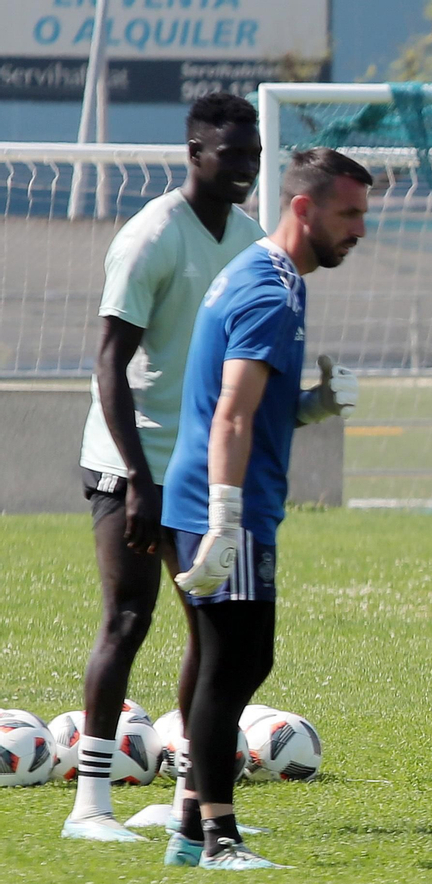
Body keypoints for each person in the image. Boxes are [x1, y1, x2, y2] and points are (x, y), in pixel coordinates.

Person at [159, 148, 368, 869]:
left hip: (220, 500)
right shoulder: (270, 291)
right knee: (232, 664)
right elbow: (232, 414)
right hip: (225, 505)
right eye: (349, 214)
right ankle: (217, 837)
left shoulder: (268, 275)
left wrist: (313, 405)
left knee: (237, 660)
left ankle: (191, 827)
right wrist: (224, 520)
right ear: (303, 209)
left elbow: (255, 401)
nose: (359, 230)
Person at [67, 93, 264, 843]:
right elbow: (109, 364)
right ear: (194, 153)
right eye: (231, 154)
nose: (244, 168)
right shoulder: (150, 235)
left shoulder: (248, 238)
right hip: (130, 465)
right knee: (128, 617)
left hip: (199, 468)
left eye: (253, 156)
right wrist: (138, 479)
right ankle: (90, 805)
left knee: (214, 630)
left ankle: (188, 799)